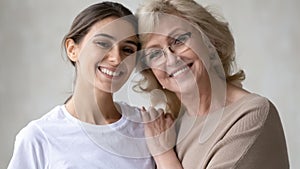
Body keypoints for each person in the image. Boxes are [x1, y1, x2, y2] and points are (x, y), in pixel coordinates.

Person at [135, 0, 290, 168]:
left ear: (210, 42)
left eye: (179, 40)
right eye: (155, 54)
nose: (171, 59)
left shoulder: (252, 114)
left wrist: (163, 154)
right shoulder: (170, 128)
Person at [8, 2, 155, 169]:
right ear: (72, 49)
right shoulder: (38, 138)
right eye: (103, 43)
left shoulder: (147, 128)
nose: (116, 58)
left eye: (127, 49)